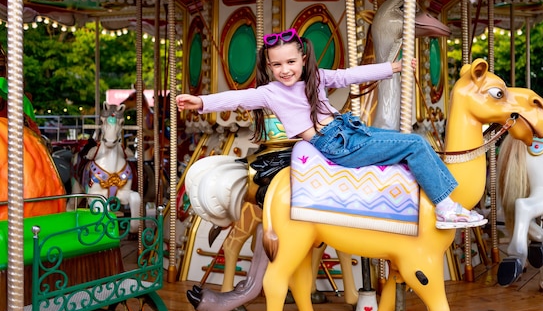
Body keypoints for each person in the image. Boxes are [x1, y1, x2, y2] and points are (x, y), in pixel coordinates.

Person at [176, 28, 486, 229]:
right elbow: (237, 97)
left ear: (303, 58)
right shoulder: (270, 92)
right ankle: (446, 208)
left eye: (290, 62)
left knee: (411, 142)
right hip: (334, 144)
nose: (285, 70)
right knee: (416, 145)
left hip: (349, 129)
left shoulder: (317, 77)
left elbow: (349, 76)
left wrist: (390, 68)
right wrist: (200, 102)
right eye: (277, 65)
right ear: (269, 67)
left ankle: (437, 203)